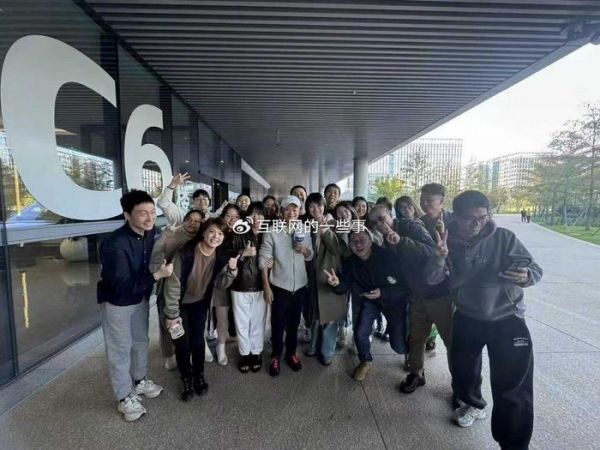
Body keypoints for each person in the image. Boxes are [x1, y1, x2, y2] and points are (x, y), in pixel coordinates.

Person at [425, 190, 542, 449]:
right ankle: (473, 404)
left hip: (507, 319)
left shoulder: (504, 238)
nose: (478, 223)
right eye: (471, 219)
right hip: (468, 317)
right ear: (457, 217)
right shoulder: (446, 240)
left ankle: (514, 445)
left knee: (513, 388)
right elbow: (432, 279)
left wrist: (526, 275)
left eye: (483, 217)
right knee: (463, 375)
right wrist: (438, 257)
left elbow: (535, 270)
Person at [97, 190, 173, 422]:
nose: (150, 218)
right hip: (117, 302)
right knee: (120, 349)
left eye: (152, 212)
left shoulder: (150, 233)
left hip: (140, 297)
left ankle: (139, 381)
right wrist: (157, 276)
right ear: (127, 215)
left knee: (140, 341)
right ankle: (124, 397)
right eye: (143, 213)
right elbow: (121, 285)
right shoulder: (114, 244)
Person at [164, 218, 235, 401]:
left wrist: (231, 271)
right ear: (203, 233)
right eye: (212, 231)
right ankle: (186, 378)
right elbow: (172, 286)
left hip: (199, 304)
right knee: (182, 343)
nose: (216, 236)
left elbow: (220, 284)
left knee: (197, 342)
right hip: (179, 305)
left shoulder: (220, 257)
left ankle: (198, 375)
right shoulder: (186, 253)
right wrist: (172, 315)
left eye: (220, 233)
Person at [324, 229, 410, 381]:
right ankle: (365, 360)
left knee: (399, 346)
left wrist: (383, 292)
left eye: (362, 240)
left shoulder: (388, 257)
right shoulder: (351, 262)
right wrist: (336, 284)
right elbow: (345, 284)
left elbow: (404, 286)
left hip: (393, 301)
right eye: (353, 241)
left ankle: (410, 352)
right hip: (370, 301)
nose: (358, 245)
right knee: (360, 331)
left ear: (371, 241)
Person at [258, 195, 313, 376]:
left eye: (295, 209)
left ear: (299, 211)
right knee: (277, 323)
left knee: (294, 323)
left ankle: (291, 353)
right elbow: (263, 260)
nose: (291, 213)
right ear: (282, 211)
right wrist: (266, 287)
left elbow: (310, 256)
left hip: (300, 285)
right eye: (287, 209)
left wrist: (305, 250)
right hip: (279, 286)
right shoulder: (272, 231)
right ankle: (275, 355)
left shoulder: (304, 229)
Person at [149, 209, 204, 371]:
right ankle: (169, 355)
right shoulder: (171, 235)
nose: (193, 223)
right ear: (184, 220)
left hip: (192, 290)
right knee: (168, 324)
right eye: (189, 219)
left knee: (190, 325)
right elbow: (154, 259)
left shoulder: (202, 238)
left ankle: (187, 352)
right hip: (168, 285)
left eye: (197, 221)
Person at [223, 202, 269, 373]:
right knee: (241, 322)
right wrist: (243, 253)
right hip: (240, 285)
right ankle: (244, 353)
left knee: (258, 321)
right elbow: (226, 254)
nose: (256, 219)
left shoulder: (268, 234)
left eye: (260, 215)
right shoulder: (238, 233)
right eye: (252, 215)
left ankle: (256, 352)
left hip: (261, 285)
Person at [304, 193, 346, 365]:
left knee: (330, 314)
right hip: (312, 275)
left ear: (324, 206)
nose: (315, 209)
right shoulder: (308, 225)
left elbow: (338, 249)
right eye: (311, 206)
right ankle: (314, 345)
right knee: (315, 312)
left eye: (319, 205)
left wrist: (326, 230)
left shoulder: (335, 224)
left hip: (330, 275)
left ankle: (327, 351)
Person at [419, 183, 455, 351]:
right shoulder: (419, 223)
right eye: (422, 200)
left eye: (429, 200)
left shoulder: (455, 222)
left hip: (450, 287)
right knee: (417, 335)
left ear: (442, 201)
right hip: (427, 282)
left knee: (450, 335)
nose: (424, 204)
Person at [212, 204, 242, 365]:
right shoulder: (217, 232)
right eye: (229, 216)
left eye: (236, 216)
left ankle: (236, 340)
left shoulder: (242, 233)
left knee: (237, 313)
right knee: (221, 314)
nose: (232, 219)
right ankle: (220, 346)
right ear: (223, 216)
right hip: (220, 279)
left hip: (239, 280)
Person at [157, 172, 225, 223]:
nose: (202, 201)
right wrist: (173, 184)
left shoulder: (214, 218)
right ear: (193, 201)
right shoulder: (184, 215)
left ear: (209, 201)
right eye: (198, 199)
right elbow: (163, 203)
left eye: (204, 199)